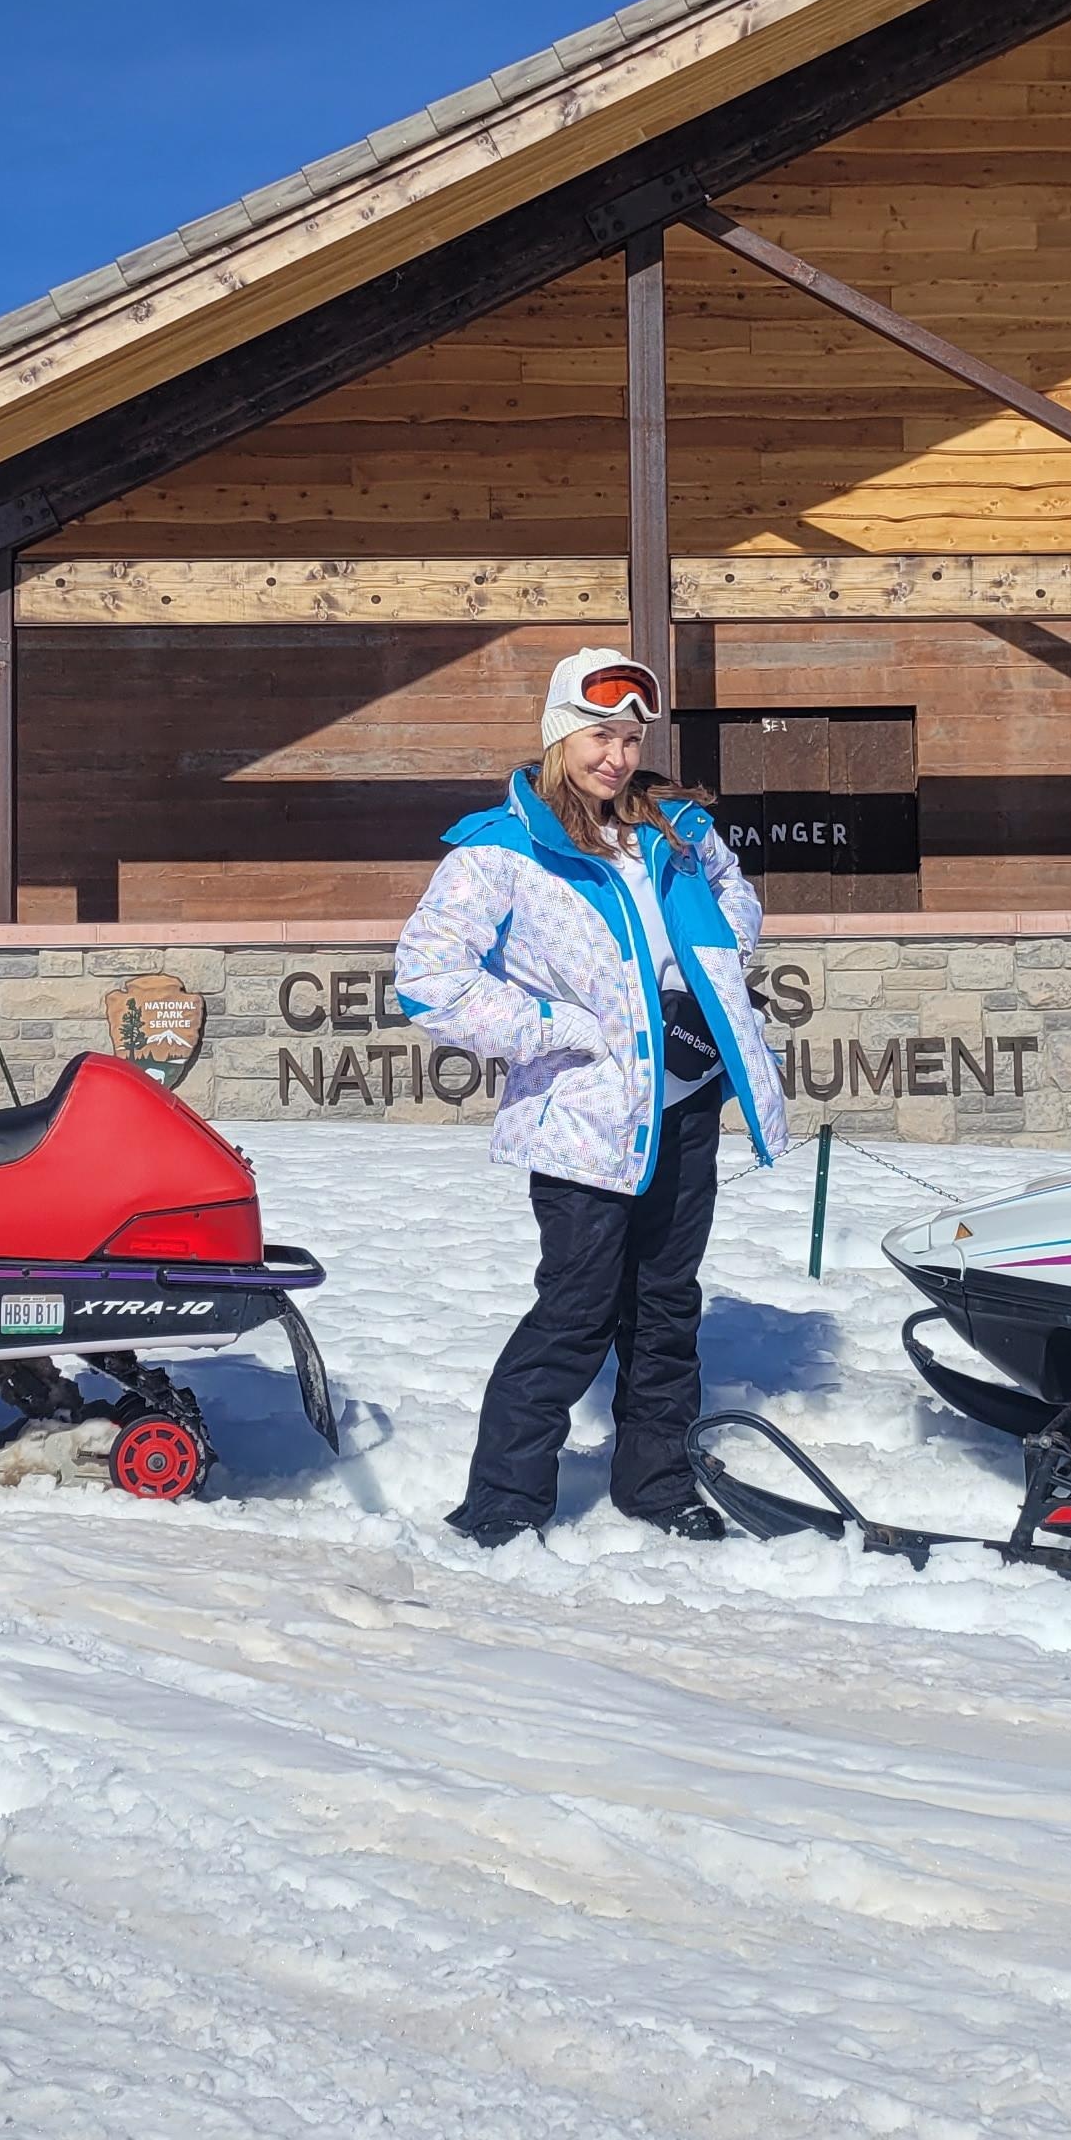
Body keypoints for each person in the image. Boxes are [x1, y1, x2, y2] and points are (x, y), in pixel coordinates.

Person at [393, 647, 790, 1547]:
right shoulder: (504, 852)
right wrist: (552, 1028)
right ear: (559, 735)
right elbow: (427, 979)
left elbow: (734, 895)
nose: (617, 756)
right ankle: (504, 1499)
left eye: (631, 738)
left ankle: (657, 1485)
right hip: (584, 1118)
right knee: (575, 1313)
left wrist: (709, 970)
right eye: (599, 736)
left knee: (667, 1306)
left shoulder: (674, 830)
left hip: (683, 1104)